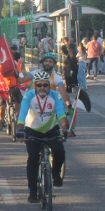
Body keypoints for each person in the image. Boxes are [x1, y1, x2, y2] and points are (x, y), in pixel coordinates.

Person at [15, 71, 70, 203]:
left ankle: (55, 173)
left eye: (45, 85)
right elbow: (22, 114)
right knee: (33, 159)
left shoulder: (55, 95)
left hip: (51, 130)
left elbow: (61, 114)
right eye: (39, 85)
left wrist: (65, 127)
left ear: (49, 85)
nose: (42, 88)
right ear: (35, 85)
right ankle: (32, 191)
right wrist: (20, 129)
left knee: (60, 152)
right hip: (32, 130)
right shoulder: (29, 96)